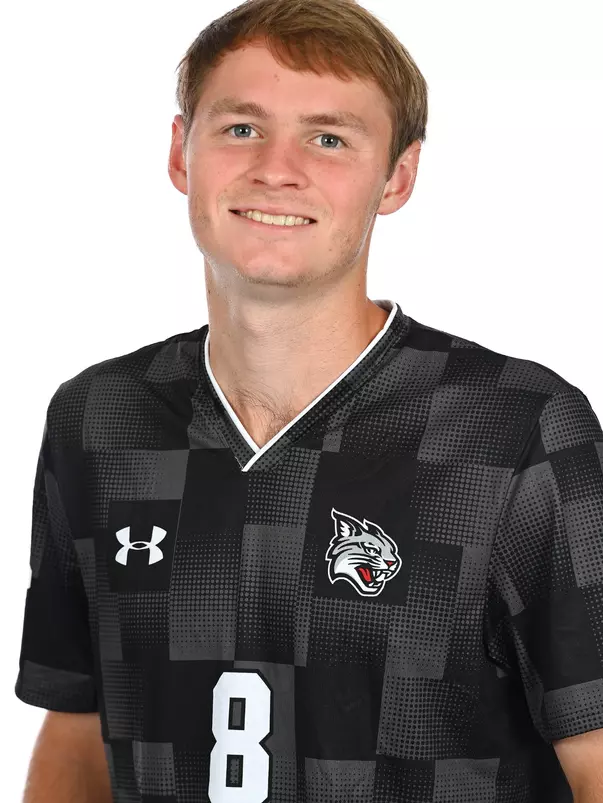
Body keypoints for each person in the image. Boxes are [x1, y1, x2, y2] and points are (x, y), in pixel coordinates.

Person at [15, 0, 603, 800]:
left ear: (396, 177)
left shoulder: (516, 428)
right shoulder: (97, 418)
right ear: (181, 153)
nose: (276, 168)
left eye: (328, 138)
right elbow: (77, 734)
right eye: (240, 128)